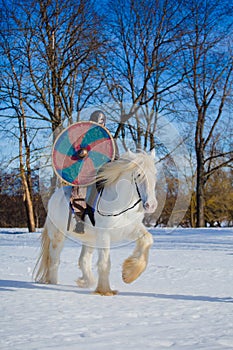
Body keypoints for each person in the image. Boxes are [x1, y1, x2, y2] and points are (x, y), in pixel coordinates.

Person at [70, 110, 116, 233]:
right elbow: (73, 154)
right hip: (85, 173)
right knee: (78, 194)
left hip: (102, 174)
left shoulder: (110, 140)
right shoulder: (83, 138)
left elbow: (115, 157)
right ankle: (80, 222)